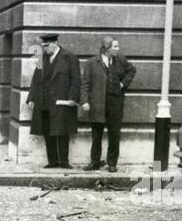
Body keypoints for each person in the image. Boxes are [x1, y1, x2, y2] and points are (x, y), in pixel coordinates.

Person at [81, 36, 136, 172]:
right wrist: (85, 101)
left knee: (114, 135)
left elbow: (132, 71)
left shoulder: (120, 60)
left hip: (115, 105)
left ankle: (112, 163)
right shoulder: (92, 63)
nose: (118, 49)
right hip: (97, 105)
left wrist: (123, 83)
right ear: (107, 48)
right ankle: (95, 162)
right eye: (115, 47)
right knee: (96, 136)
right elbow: (85, 84)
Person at [26, 33, 81, 169]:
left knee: (62, 131)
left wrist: (73, 99)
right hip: (44, 101)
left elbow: (76, 80)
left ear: (55, 43)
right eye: (43, 46)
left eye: (46, 46)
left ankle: (63, 162)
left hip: (61, 101)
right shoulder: (42, 58)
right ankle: (52, 161)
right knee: (47, 131)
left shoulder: (69, 58)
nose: (44, 49)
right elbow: (36, 78)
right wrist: (31, 97)